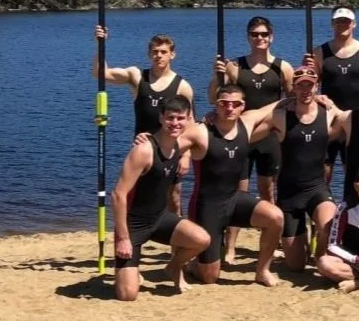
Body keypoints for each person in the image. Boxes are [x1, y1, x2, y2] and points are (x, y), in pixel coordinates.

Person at [175, 84, 285, 287]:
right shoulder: (201, 131)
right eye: (224, 103)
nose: (230, 108)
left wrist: (295, 95)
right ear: (216, 105)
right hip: (206, 207)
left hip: (234, 200)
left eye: (236, 104)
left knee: (275, 217)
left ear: (243, 106)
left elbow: (271, 108)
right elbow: (168, 146)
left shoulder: (247, 122)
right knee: (210, 278)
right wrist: (149, 143)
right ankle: (192, 266)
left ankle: (262, 271)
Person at [207, 15, 294, 264]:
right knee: (238, 192)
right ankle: (231, 246)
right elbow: (215, 97)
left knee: (268, 190)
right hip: (240, 137)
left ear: (271, 37)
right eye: (255, 34)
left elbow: (293, 99)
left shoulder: (282, 67)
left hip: (270, 138)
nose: (260, 39)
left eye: (264, 34)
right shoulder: (235, 66)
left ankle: (270, 244)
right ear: (248, 37)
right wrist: (217, 76)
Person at [112, 96, 211, 301]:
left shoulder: (179, 144)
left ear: (188, 119)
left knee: (202, 239)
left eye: (180, 118)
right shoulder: (144, 150)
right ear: (161, 118)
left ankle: (172, 267)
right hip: (133, 226)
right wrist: (123, 238)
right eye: (170, 118)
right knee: (128, 295)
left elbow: (218, 121)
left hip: (159, 218)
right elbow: (118, 194)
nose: (175, 123)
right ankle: (125, 270)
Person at [93, 25, 194, 213]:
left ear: (172, 55)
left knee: (174, 196)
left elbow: (190, 124)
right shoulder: (137, 76)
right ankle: (136, 235)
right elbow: (101, 74)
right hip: (142, 147)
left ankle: (175, 237)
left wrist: (186, 156)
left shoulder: (182, 86)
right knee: (136, 194)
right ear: (149, 54)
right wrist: (100, 43)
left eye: (164, 52)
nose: (159, 55)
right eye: (155, 51)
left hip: (171, 150)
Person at [269, 66, 340, 271]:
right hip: (290, 193)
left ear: (317, 86)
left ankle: (319, 252)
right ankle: (301, 244)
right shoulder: (281, 115)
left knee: (329, 223)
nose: (306, 90)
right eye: (301, 86)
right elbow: (252, 120)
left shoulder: (328, 111)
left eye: (310, 85)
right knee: (296, 266)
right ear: (294, 88)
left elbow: (356, 117)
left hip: (317, 187)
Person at [302, 5, 359, 186]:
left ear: (354, 24)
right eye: (338, 21)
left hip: (356, 120)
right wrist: (306, 70)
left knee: (354, 171)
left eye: (346, 21)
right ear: (332, 24)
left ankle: (351, 209)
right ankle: (321, 208)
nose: (342, 24)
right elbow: (307, 86)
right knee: (323, 170)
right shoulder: (319, 52)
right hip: (328, 119)